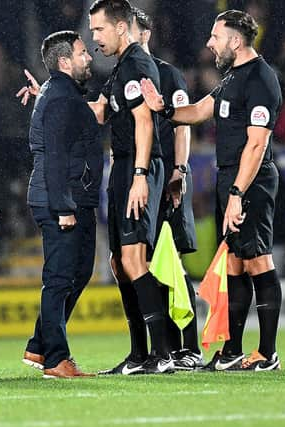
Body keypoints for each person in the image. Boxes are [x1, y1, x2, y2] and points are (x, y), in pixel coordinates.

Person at [141, 9, 283, 371]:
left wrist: (237, 194)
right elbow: (201, 110)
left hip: (249, 180)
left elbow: (256, 145)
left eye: (215, 37)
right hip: (231, 179)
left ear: (236, 41)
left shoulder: (261, 79)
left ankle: (267, 353)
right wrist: (164, 109)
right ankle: (233, 349)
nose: (209, 43)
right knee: (234, 263)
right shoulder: (232, 78)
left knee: (256, 259)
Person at [89, 0, 172, 375]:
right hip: (121, 168)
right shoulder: (120, 67)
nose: (95, 39)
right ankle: (140, 355)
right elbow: (101, 112)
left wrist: (140, 175)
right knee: (120, 264)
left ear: (121, 27)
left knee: (134, 260)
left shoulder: (138, 64)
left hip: (137, 167)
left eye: (99, 30)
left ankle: (165, 352)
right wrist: (51, 95)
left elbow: (144, 121)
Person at [22, 30, 102, 379]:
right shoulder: (59, 97)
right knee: (59, 279)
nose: (89, 58)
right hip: (60, 199)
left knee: (79, 273)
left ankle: (40, 345)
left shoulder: (62, 94)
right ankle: (56, 358)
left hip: (70, 197)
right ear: (65, 61)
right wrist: (64, 206)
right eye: (83, 53)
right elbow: (54, 155)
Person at [130, 8, 202, 371]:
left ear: (146, 32)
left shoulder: (167, 74)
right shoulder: (125, 71)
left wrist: (180, 169)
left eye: (135, 30)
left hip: (165, 178)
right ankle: (164, 347)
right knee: (148, 261)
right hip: (142, 179)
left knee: (170, 259)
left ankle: (190, 345)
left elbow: (182, 125)